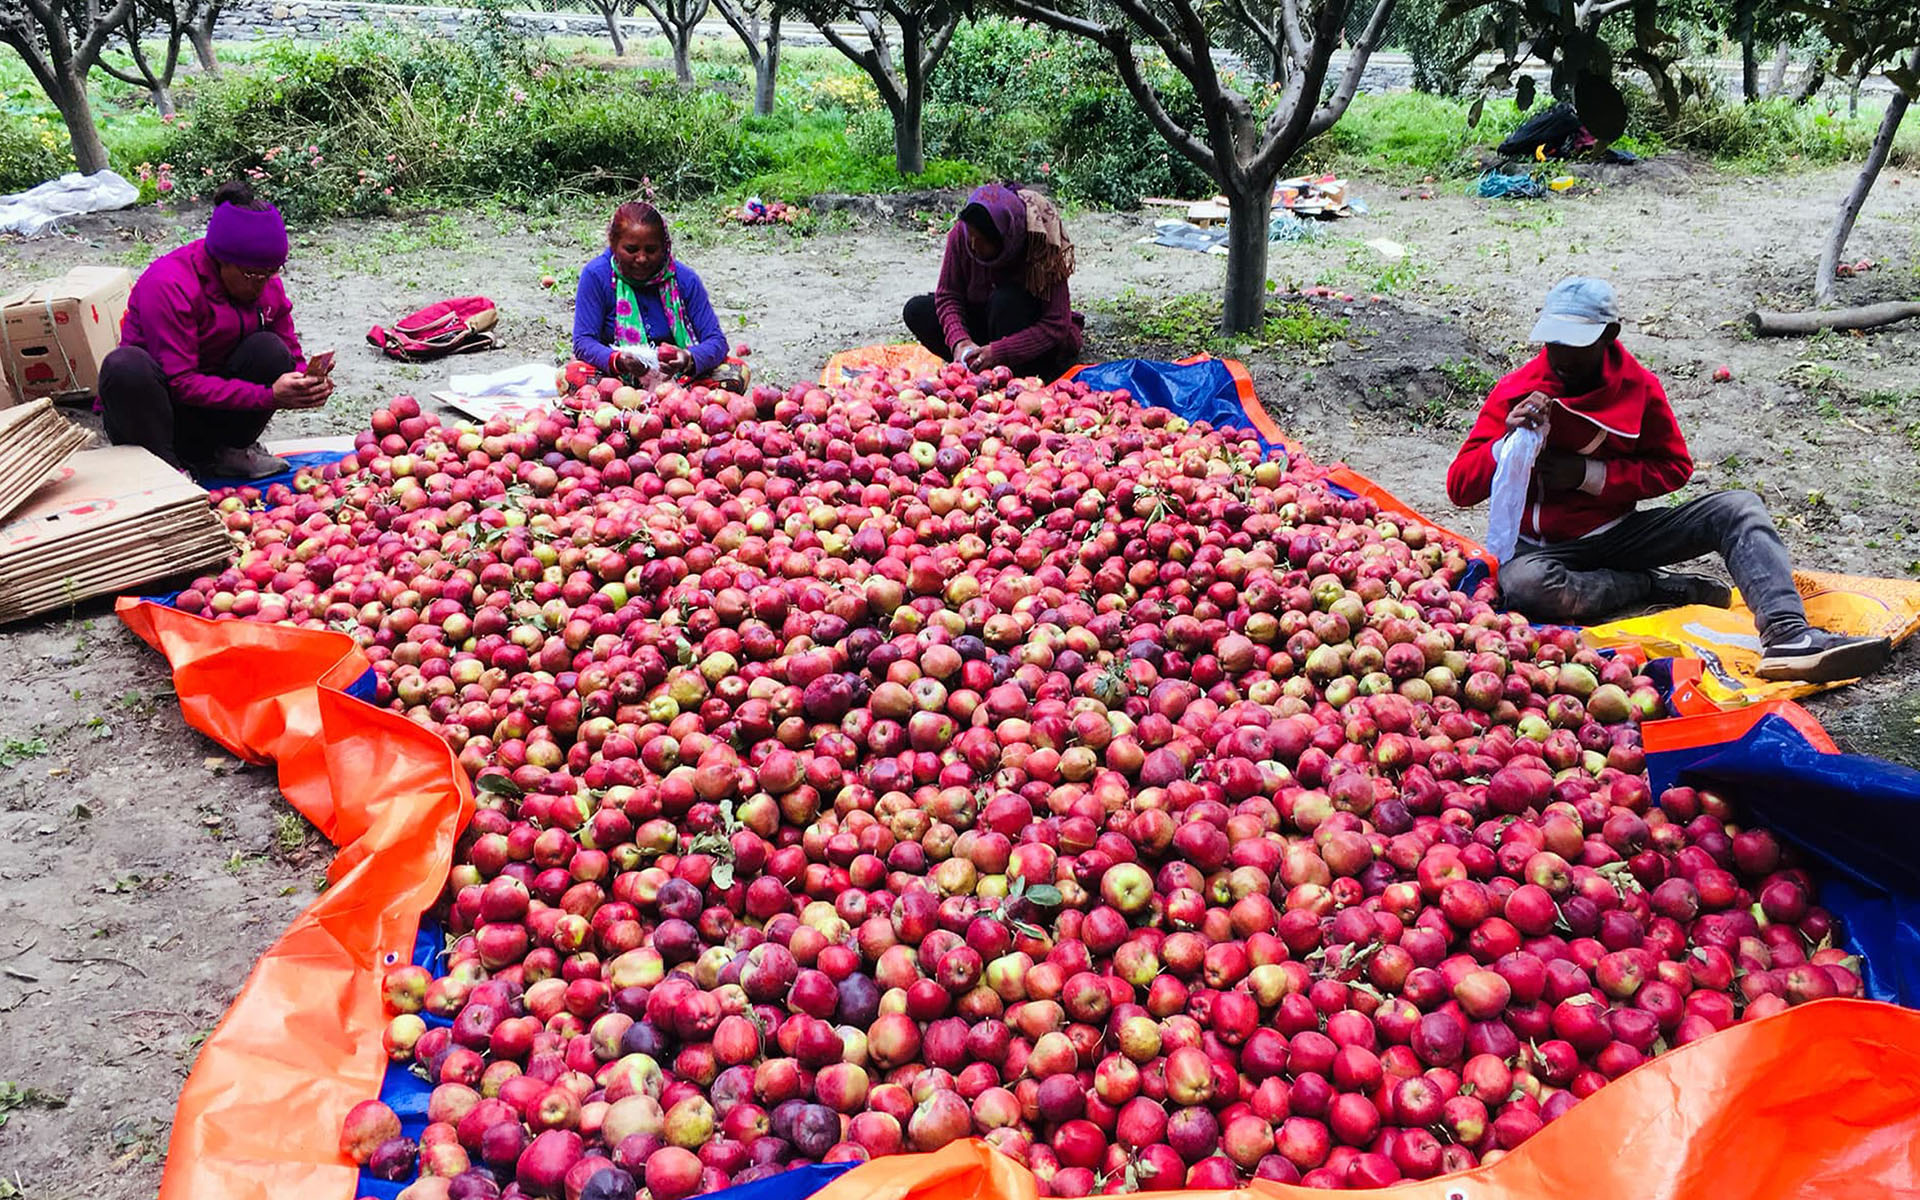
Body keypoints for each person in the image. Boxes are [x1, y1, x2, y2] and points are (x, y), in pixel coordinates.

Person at [1447, 276, 1892, 684]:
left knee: (1738, 508)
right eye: (1553, 341)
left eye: (1575, 344)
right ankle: (1650, 585)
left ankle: (1788, 636)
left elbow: (1674, 468)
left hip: (1618, 534)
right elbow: (1460, 487)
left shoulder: (1638, 388)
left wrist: (1588, 475)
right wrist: (1504, 446)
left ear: (1609, 337)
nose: (1560, 355)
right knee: (1524, 587)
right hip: (1540, 552)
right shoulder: (1518, 390)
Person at [100, 179, 331, 479]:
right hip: (157, 413)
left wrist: (306, 381)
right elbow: (181, 382)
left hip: (212, 411)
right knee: (124, 366)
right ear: (220, 261)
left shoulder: (265, 284)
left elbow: (289, 349)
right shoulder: (169, 284)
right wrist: (268, 396)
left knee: (271, 351)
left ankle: (227, 451)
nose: (261, 283)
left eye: (271, 272)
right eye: (252, 275)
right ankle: (166, 470)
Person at [903, 182, 1083, 381]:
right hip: (985, 326)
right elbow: (948, 295)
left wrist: (999, 352)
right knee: (917, 310)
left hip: (1024, 335)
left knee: (1006, 300)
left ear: (1004, 238)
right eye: (970, 236)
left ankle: (1013, 377)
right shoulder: (961, 235)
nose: (972, 244)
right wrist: (960, 341)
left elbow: (1056, 323)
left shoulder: (1040, 243)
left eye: (981, 241)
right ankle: (974, 364)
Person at [573, 201, 730, 385]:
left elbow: (717, 341)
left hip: (677, 379)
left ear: (664, 248)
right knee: (572, 374)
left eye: (651, 250)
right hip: (617, 380)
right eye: (631, 249)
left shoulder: (684, 279)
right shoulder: (597, 276)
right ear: (614, 246)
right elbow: (583, 342)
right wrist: (619, 360)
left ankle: (678, 402)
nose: (641, 258)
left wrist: (687, 358)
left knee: (735, 373)